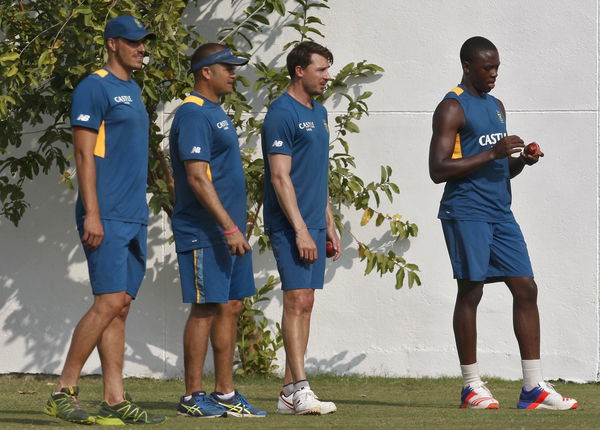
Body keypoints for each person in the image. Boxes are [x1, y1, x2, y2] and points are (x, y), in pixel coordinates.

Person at [428, 36, 578, 410]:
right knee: (471, 291)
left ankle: (533, 388)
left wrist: (521, 161)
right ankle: (471, 386)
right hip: (465, 211)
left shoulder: (496, 106)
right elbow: (437, 170)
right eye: (487, 68)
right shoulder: (451, 107)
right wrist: (492, 151)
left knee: (526, 288)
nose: (494, 74)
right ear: (467, 66)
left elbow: (497, 169)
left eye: (497, 67)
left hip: (499, 213)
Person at [43, 16, 165, 425]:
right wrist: (92, 212)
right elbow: (82, 155)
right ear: (112, 44)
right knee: (108, 301)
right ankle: (63, 390)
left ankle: (114, 398)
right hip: (105, 211)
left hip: (132, 212)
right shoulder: (94, 87)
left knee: (122, 306)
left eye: (144, 43)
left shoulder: (132, 88)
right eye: (133, 43)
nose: (141, 49)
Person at [169, 43, 266, 418]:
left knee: (231, 305)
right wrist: (228, 228)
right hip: (205, 231)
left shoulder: (216, 112)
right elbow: (196, 178)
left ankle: (225, 394)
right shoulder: (193, 114)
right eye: (227, 67)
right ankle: (192, 396)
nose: (234, 73)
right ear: (205, 71)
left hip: (229, 232)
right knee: (206, 308)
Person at [261, 41, 341, 415]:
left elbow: (316, 173)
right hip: (290, 224)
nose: (327, 76)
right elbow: (280, 177)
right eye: (321, 69)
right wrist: (300, 229)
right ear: (299, 70)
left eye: (327, 69)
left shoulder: (320, 112)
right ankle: (300, 388)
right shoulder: (281, 112)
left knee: (306, 303)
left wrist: (328, 222)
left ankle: (288, 392)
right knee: (296, 300)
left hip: (312, 223)